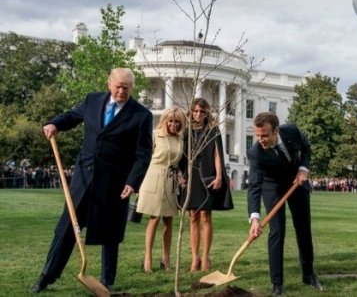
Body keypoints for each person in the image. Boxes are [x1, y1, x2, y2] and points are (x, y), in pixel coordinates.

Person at [31, 68, 153, 293]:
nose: (121, 91)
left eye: (126, 88)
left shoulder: (141, 115)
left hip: (115, 183)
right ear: (109, 84)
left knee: (110, 233)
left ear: (132, 88)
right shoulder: (92, 100)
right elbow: (71, 116)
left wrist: (132, 181)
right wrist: (54, 123)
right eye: (117, 86)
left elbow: (143, 153)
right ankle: (47, 276)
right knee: (67, 228)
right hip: (84, 177)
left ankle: (107, 281)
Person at [247, 112, 322, 296]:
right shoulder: (255, 153)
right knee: (277, 232)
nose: (260, 140)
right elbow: (255, 186)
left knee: (303, 229)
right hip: (272, 188)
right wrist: (255, 218)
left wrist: (303, 169)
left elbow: (306, 148)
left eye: (264, 135)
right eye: (257, 135)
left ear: (276, 131)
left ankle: (308, 274)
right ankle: (277, 284)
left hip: (297, 183)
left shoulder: (292, 132)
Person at [179, 98, 233, 272]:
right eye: (195, 111)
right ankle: (195, 258)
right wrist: (181, 176)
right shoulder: (186, 131)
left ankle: (205, 257)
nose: (198, 114)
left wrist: (218, 177)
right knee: (193, 216)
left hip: (208, 175)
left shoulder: (212, 130)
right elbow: (180, 156)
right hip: (190, 176)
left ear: (207, 113)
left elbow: (217, 155)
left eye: (202, 111)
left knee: (205, 216)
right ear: (191, 111)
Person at [136, 107, 187, 273]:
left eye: (177, 122)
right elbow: (143, 158)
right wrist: (136, 181)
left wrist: (180, 177)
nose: (173, 124)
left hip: (171, 181)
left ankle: (166, 258)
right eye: (170, 121)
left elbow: (177, 163)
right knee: (154, 218)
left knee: (169, 220)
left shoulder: (181, 140)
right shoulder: (154, 135)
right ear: (165, 121)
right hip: (153, 177)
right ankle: (148, 258)